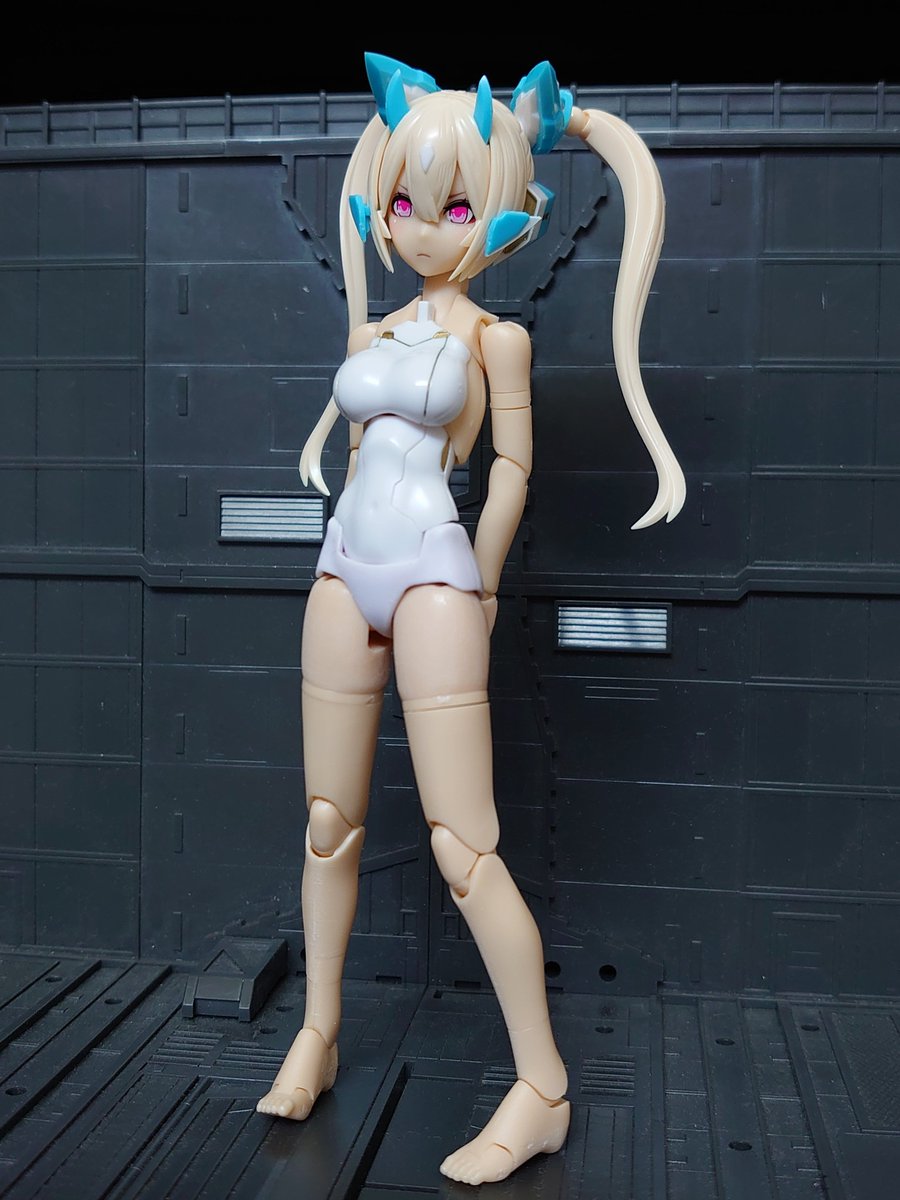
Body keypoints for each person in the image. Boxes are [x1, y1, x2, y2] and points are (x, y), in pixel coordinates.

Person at [256, 54, 685, 1186]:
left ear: (501, 212)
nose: (420, 225)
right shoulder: (371, 336)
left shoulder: (497, 339)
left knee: (464, 846)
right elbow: (366, 456)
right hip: (343, 567)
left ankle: (541, 1086)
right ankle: (320, 1031)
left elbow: (510, 470)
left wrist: (484, 584)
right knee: (328, 824)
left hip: (436, 575)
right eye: (404, 201)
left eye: (452, 207)